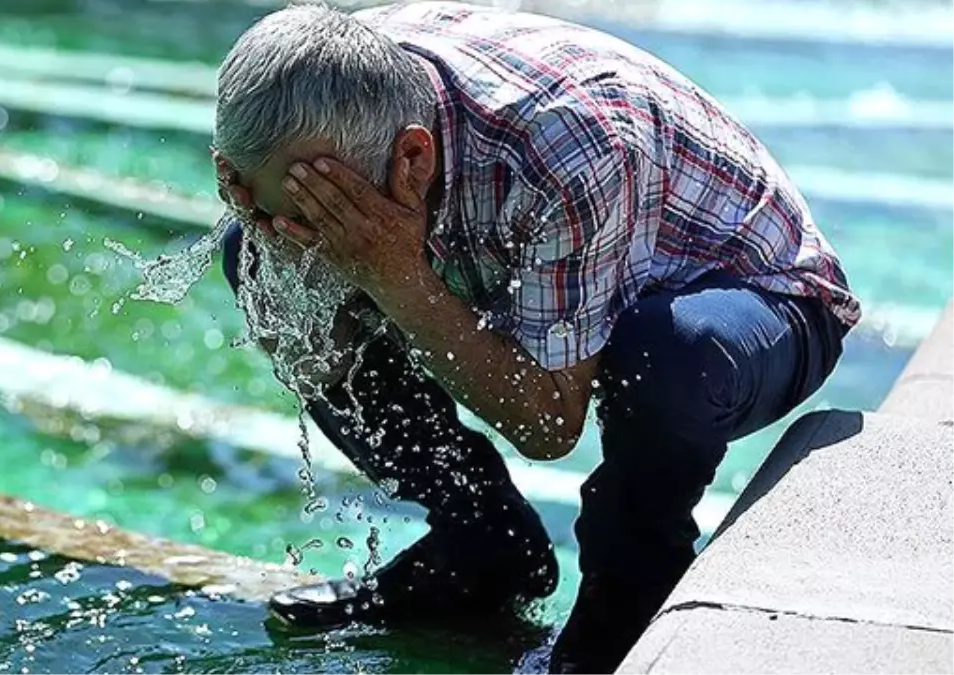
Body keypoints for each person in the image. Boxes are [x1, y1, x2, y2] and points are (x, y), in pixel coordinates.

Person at [211, 2, 858, 672]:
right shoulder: (315, 82)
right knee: (259, 262)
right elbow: (270, 226)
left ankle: (627, 601)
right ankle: (481, 542)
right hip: (541, 247)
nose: (286, 226)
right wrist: (263, 223)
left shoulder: (572, 142)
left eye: (316, 213)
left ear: (410, 157)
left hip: (759, 302)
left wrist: (393, 273)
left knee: (663, 352)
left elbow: (548, 423)